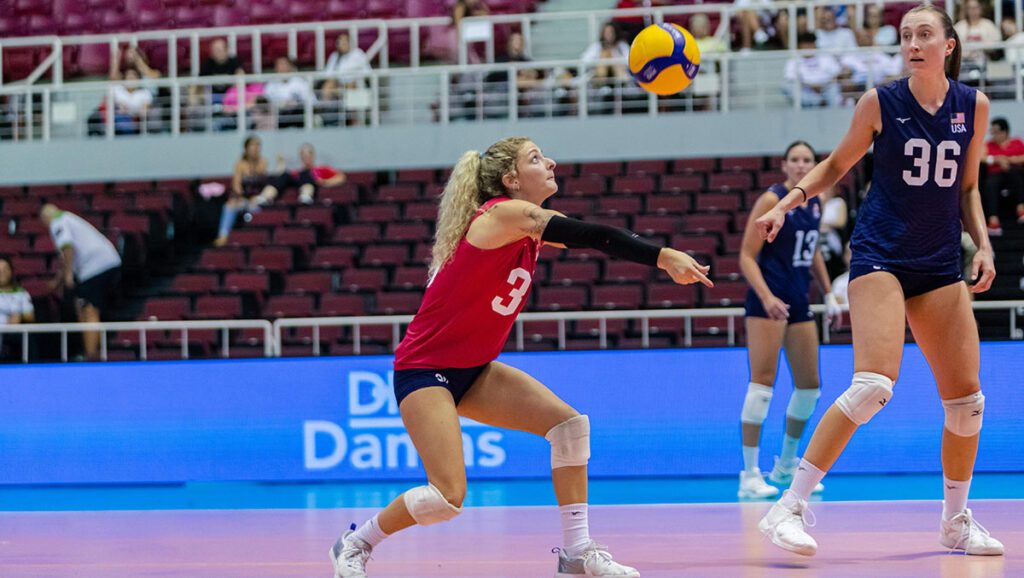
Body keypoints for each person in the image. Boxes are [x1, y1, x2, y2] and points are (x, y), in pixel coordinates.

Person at [328, 136, 713, 578]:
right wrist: (663, 256)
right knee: (447, 497)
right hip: (424, 369)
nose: (549, 161)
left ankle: (576, 553)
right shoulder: (502, 214)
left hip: (474, 370)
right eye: (535, 158)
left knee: (569, 427)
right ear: (510, 180)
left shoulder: (527, 228)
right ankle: (355, 543)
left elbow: (590, 242)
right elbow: (594, 235)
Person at [755, 4, 1003, 557]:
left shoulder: (973, 106)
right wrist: (789, 203)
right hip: (881, 256)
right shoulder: (881, 102)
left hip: (939, 261)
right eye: (905, 35)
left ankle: (955, 521)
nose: (913, 43)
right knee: (873, 386)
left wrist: (982, 243)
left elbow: (966, 187)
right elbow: (834, 166)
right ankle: (787, 507)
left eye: (924, 35)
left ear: (949, 45)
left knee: (967, 403)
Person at [737, 141, 841, 500]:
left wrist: (828, 292)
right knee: (762, 386)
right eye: (795, 160)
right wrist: (767, 297)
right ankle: (749, 474)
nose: (801, 165)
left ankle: (786, 463)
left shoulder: (814, 201)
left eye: (807, 160)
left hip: (799, 298)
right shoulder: (771, 200)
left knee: (810, 387)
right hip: (770, 298)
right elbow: (747, 257)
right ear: (784, 165)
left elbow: (811, 253)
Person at [40, 204, 122, 361]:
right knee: (81, 306)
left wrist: (68, 276)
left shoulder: (58, 221)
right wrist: (58, 280)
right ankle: (90, 351)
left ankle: (91, 356)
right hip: (102, 264)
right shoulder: (69, 218)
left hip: (96, 266)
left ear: (45, 218)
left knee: (89, 309)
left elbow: (67, 248)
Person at [214, 136, 269, 246]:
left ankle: (259, 239)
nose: (255, 148)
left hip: (258, 200)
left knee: (257, 209)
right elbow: (236, 186)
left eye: (258, 145)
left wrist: (257, 198)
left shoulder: (263, 163)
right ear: (246, 148)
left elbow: (265, 185)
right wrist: (243, 198)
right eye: (253, 145)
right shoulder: (240, 164)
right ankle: (223, 235)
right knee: (230, 205)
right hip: (243, 199)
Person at [252, 143, 347, 206]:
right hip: (294, 180)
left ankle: (305, 197)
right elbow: (279, 176)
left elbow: (341, 177)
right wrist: (281, 163)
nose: (306, 158)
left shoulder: (322, 169)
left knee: (306, 175)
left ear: (313, 155)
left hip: (309, 183)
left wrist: (325, 182)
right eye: (303, 155)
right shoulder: (296, 171)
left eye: (308, 154)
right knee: (284, 175)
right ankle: (265, 197)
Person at [982, 117, 1024, 236]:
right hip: (995, 175)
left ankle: (1021, 209)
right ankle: (993, 220)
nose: (993, 134)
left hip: (1014, 173)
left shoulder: (1017, 142)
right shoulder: (988, 145)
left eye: (996, 132)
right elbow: (981, 157)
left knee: (1015, 174)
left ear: (1004, 132)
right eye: (992, 131)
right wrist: (996, 160)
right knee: (991, 183)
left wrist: (1009, 160)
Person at [784, 32, 842, 108]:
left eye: (811, 43)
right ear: (800, 46)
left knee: (835, 86)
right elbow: (791, 78)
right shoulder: (793, 60)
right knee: (787, 87)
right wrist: (811, 86)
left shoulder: (825, 57)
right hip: (806, 90)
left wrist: (823, 85)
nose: (809, 46)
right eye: (806, 44)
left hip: (825, 88)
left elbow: (836, 74)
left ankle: (830, 108)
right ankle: (818, 103)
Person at [954, 0, 1001, 77]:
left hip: (984, 62)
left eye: (975, 7)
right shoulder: (959, 26)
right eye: (970, 8)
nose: (973, 11)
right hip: (964, 64)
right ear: (966, 9)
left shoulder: (988, 24)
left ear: (981, 8)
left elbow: (996, 43)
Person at [0, 257, 35, 361]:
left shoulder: (20, 292)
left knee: (27, 339)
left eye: (5, 269)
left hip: (13, 335)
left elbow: (31, 317)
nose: (2, 273)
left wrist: (19, 315)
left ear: (11, 271)